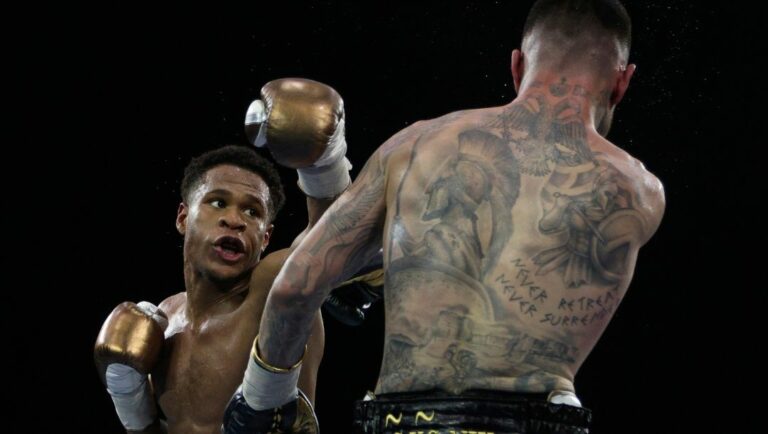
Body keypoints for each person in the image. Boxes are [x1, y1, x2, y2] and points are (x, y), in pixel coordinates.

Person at [227, 0, 666, 432]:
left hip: (404, 421)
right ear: (622, 83)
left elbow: (295, 288)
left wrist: (263, 399)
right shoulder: (637, 191)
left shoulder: (416, 145)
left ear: (516, 66)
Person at [94, 78, 355, 434]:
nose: (234, 220)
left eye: (252, 212)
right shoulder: (164, 320)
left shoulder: (270, 293)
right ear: (183, 217)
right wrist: (129, 400)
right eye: (218, 202)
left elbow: (335, 240)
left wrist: (325, 163)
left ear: (265, 238)